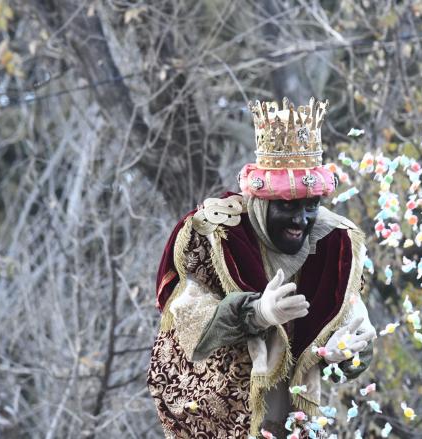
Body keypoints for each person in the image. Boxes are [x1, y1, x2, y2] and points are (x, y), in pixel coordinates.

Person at [147, 97, 376, 438]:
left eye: (310, 206)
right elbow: (189, 331)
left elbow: (334, 357)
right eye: (287, 206)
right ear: (260, 199)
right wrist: (255, 314)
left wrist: (352, 352)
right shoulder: (213, 233)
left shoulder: (336, 243)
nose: (301, 220)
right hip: (222, 424)